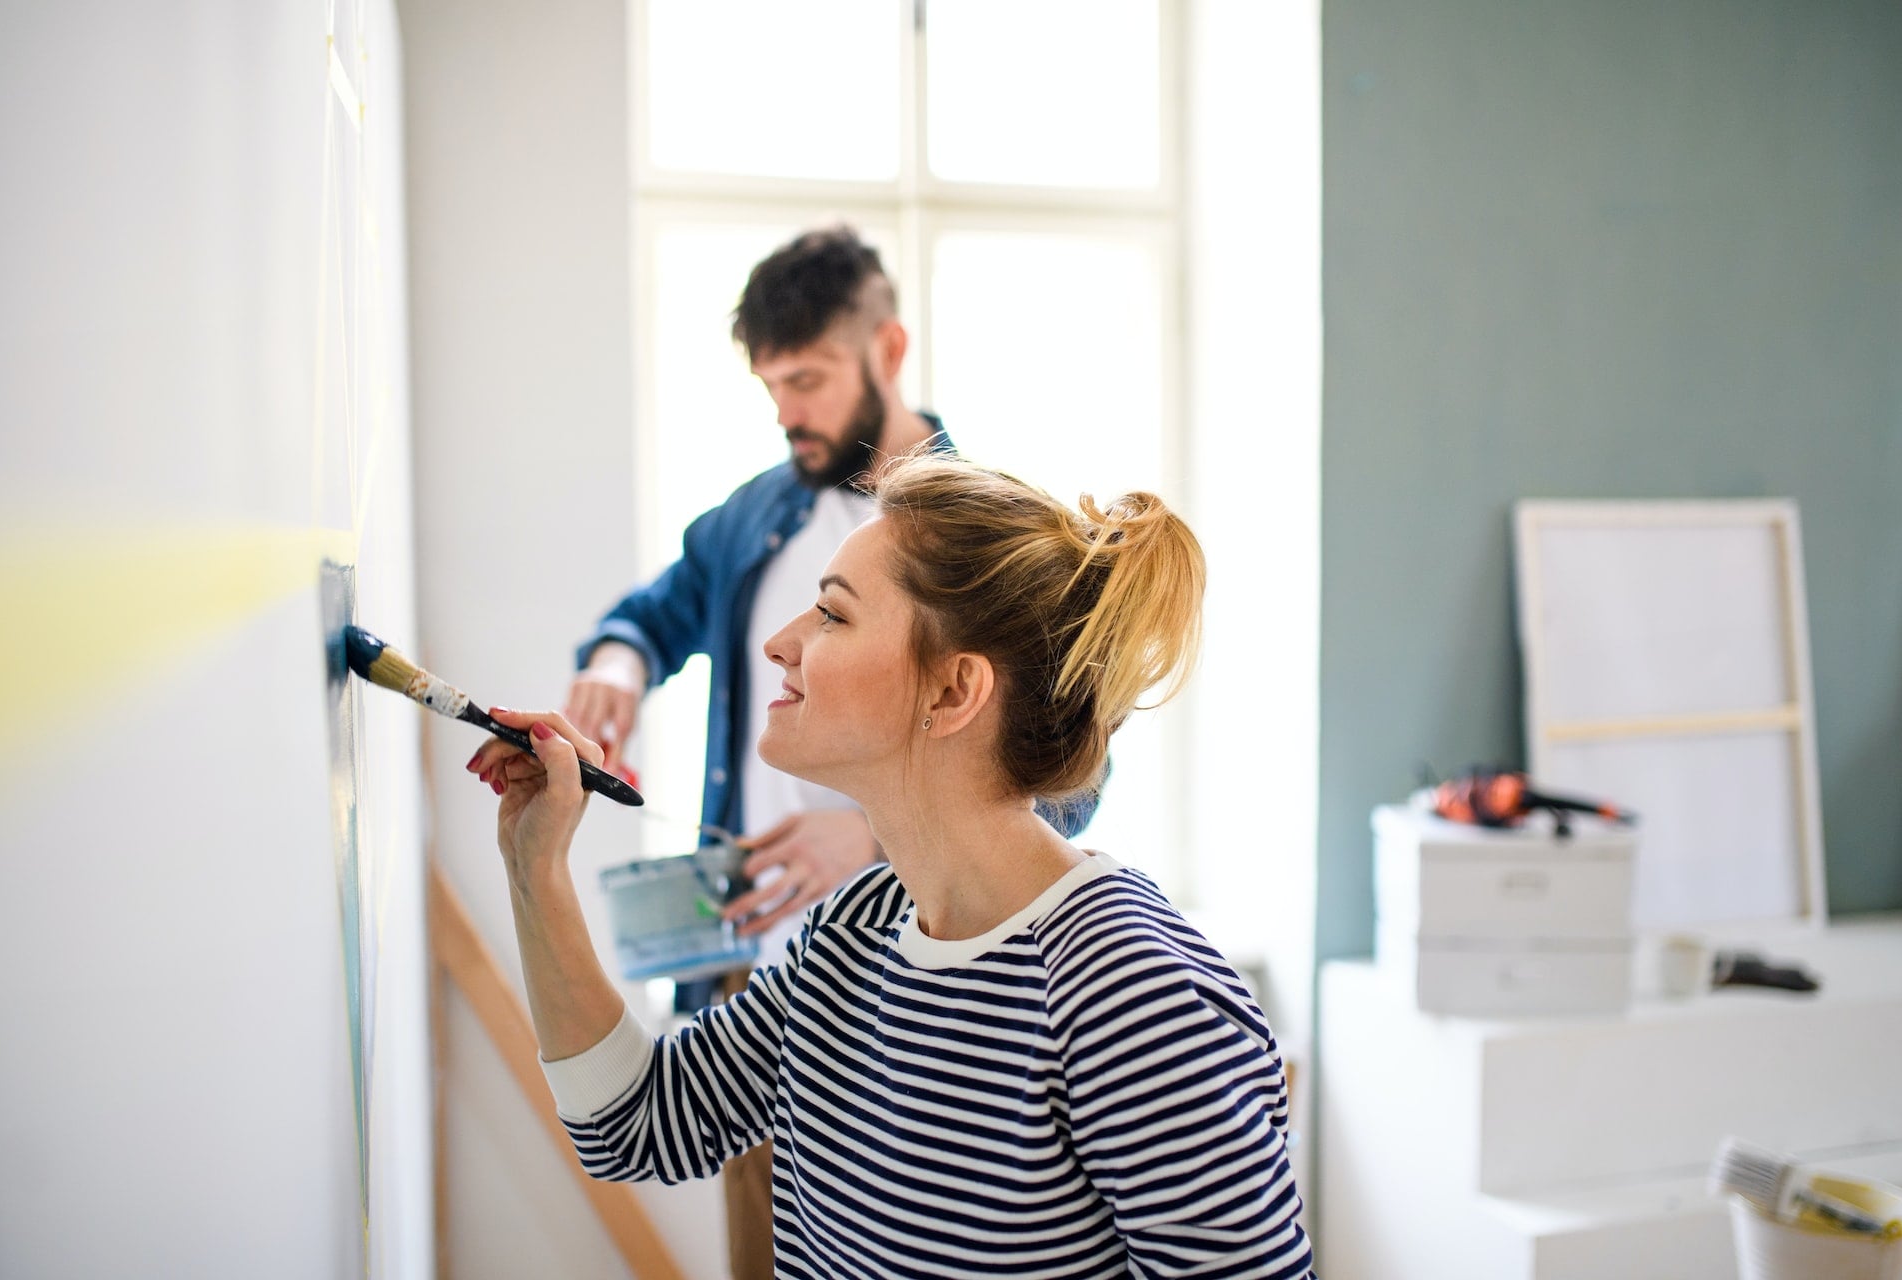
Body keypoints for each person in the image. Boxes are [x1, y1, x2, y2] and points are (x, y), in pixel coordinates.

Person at [470, 452, 1316, 1278]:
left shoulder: (1134, 993)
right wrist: (533, 867)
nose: (779, 644)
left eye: (833, 615)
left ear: (953, 692)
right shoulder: (853, 929)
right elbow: (634, 1125)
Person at [518, 224, 1095, 1279]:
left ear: (889, 349)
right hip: (760, 966)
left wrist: (873, 845)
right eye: (770, 386)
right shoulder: (759, 512)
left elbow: (1065, 768)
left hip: (924, 966)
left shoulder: (985, 541)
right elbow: (657, 609)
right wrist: (618, 665)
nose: (788, 412)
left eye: (810, 380)